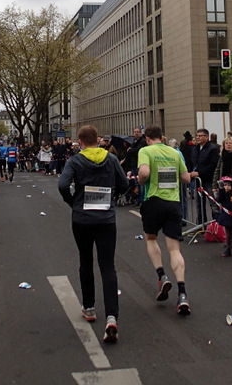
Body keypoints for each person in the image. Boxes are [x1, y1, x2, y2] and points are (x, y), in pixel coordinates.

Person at [57, 125, 126, 343]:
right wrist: (112, 197)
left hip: (82, 218)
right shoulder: (111, 159)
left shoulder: (75, 161)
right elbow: (124, 184)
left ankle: (89, 307)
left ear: (80, 141)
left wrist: (73, 202)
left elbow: (62, 185)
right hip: (106, 219)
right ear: (97, 139)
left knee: (85, 261)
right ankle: (112, 317)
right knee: (107, 266)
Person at [137, 124, 195, 315]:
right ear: (162, 137)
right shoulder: (174, 153)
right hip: (173, 203)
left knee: (151, 238)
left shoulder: (145, 150)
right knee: (174, 249)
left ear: (147, 138)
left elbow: (144, 173)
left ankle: (162, 276)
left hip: (153, 201)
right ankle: (183, 294)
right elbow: (186, 178)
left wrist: (141, 181)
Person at [191, 128, 220, 225]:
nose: (198, 137)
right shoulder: (195, 149)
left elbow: (213, 165)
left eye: (200, 136)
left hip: (209, 180)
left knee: (213, 203)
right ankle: (201, 225)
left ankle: (217, 225)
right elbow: (193, 162)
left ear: (206, 137)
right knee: (199, 204)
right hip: (198, 181)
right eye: (197, 136)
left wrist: (199, 173)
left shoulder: (213, 149)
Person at [214, 177, 232, 258]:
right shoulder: (223, 195)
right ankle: (228, 249)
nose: (227, 187)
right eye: (225, 185)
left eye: (229, 185)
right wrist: (221, 189)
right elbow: (220, 198)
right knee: (228, 234)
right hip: (226, 217)